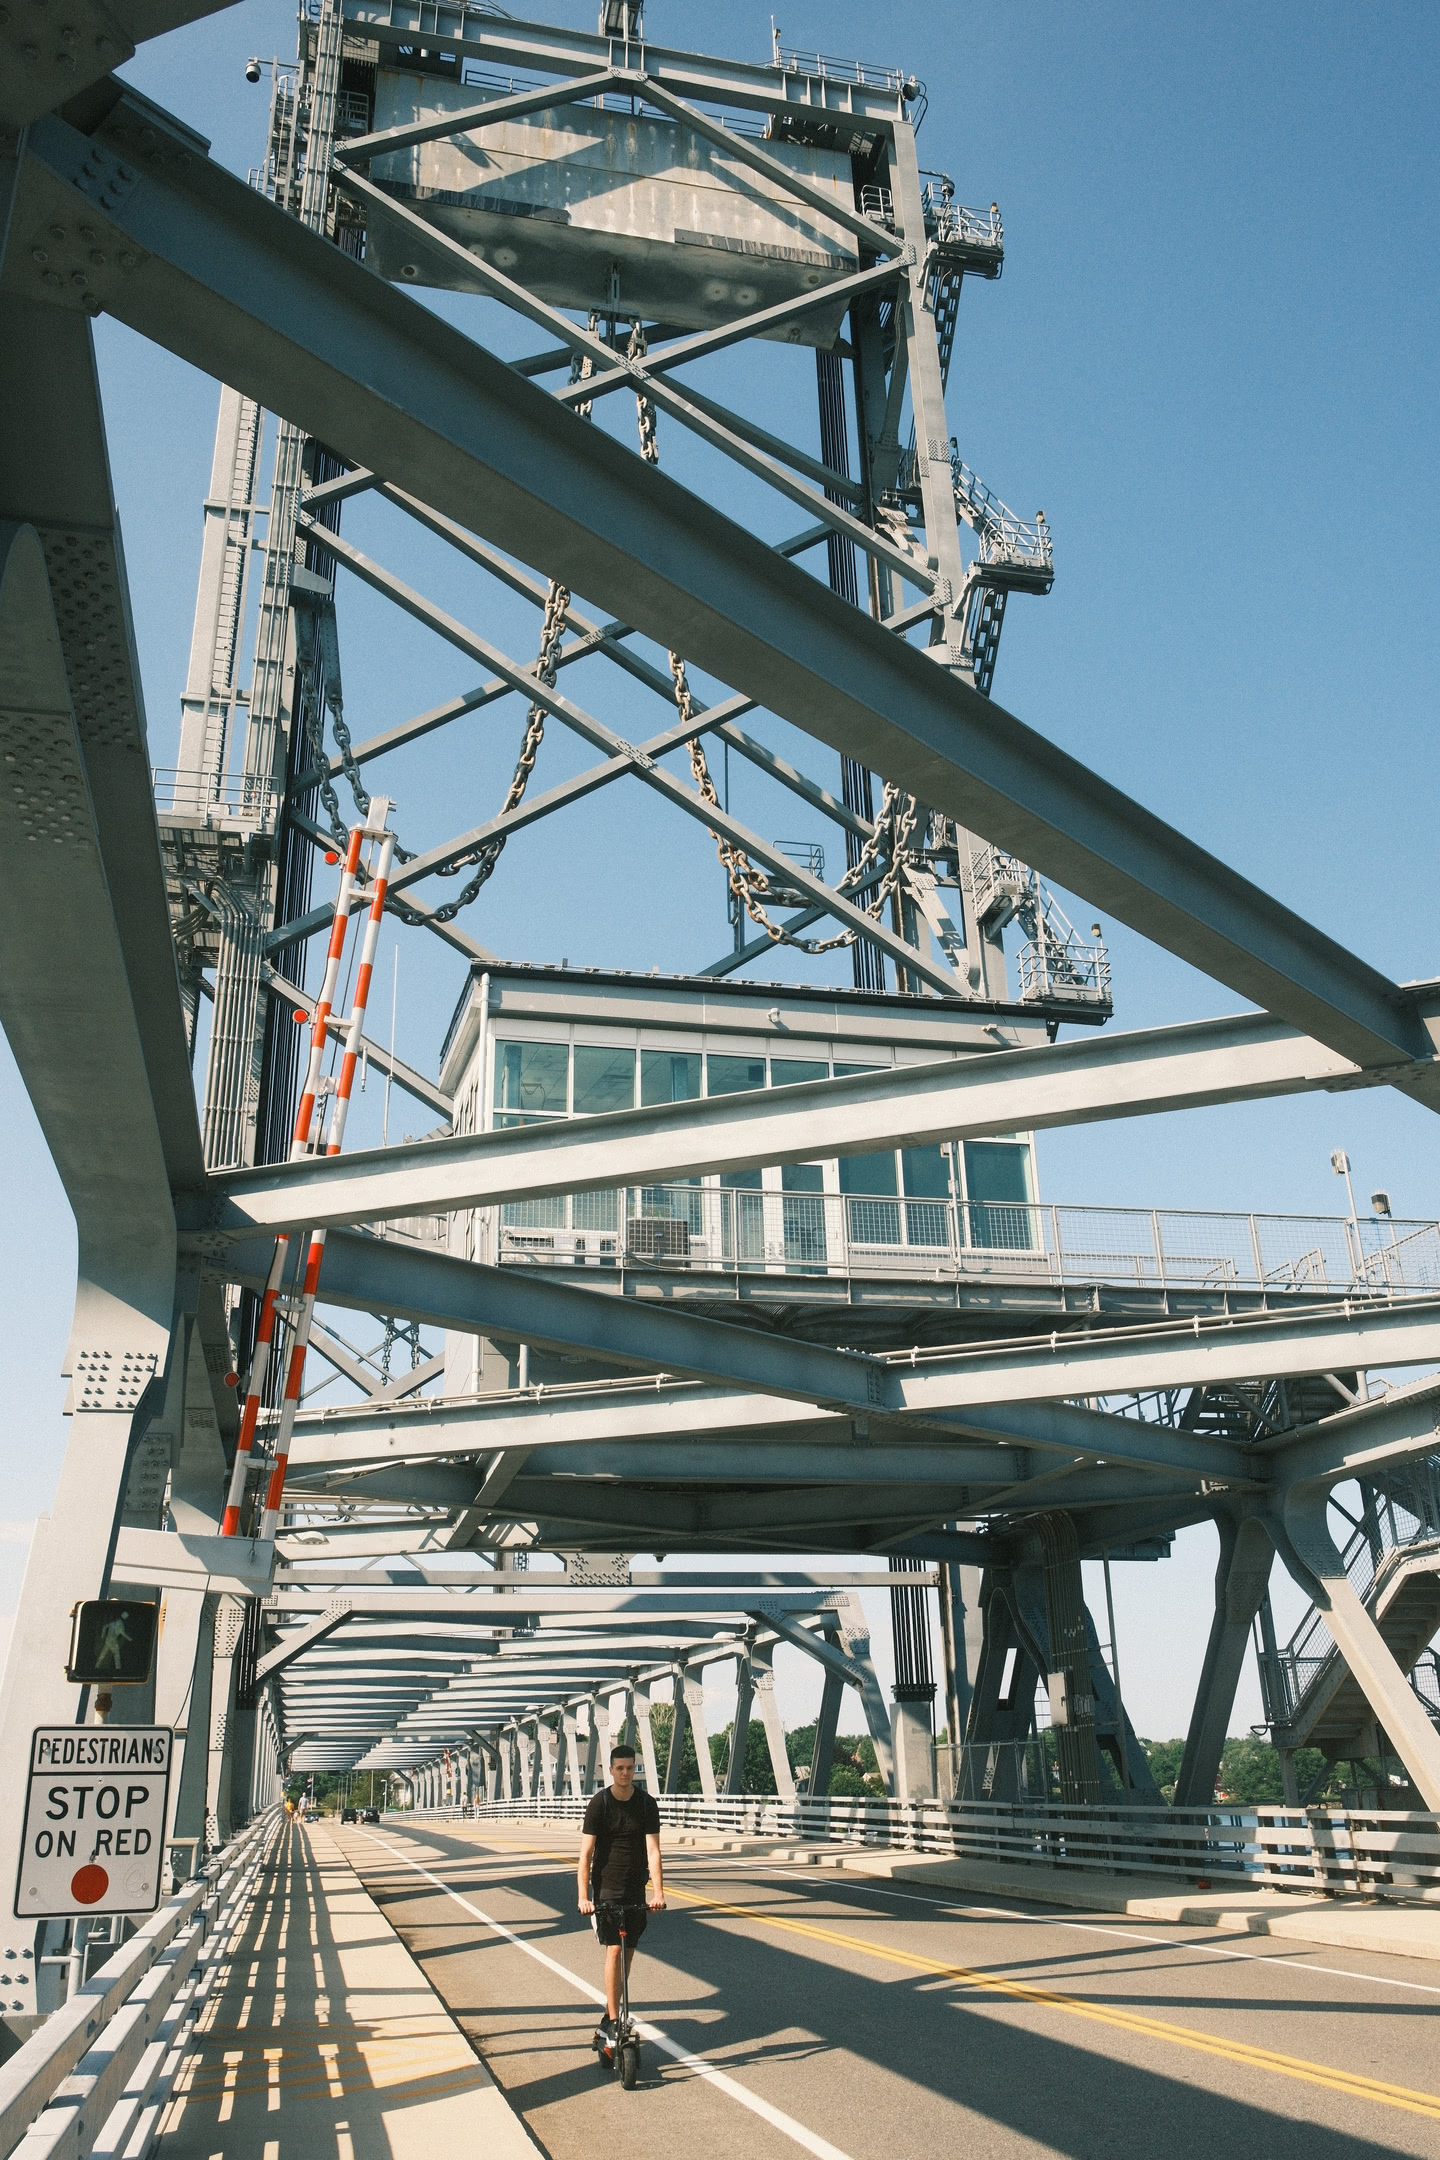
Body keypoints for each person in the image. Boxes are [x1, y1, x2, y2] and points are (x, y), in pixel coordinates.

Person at [577, 1743, 664, 2051]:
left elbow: (653, 1851)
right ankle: (614, 2021)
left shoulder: (646, 1805)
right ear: (611, 1771)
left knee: (627, 1954)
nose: (626, 1773)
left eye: (630, 1768)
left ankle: (608, 2014)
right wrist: (583, 1897)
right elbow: (585, 1855)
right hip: (606, 1890)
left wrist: (658, 1892)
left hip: (634, 1889)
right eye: (620, 1768)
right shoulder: (599, 1805)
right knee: (614, 1950)